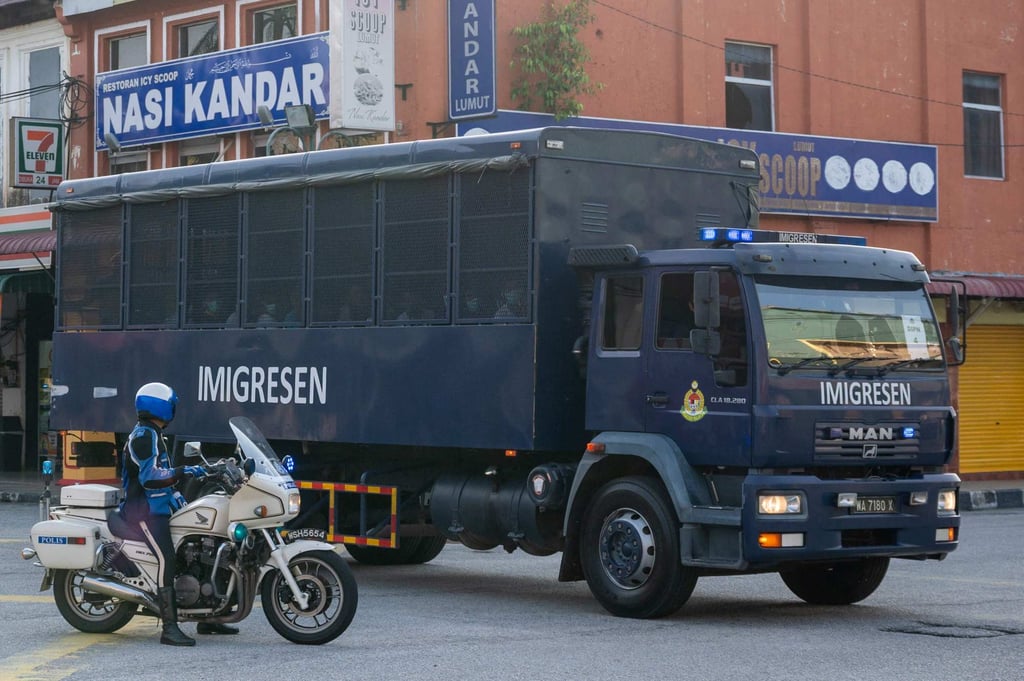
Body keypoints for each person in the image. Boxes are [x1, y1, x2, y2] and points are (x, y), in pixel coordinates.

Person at [114, 382, 238, 645]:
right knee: (167, 560)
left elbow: (166, 482)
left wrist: (186, 496)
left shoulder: (155, 434)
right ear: (160, 407)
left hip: (159, 508)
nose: (174, 409)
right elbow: (151, 479)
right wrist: (185, 472)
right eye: (171, 405)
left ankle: (209, 619)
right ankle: (169, 629)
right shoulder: (143, 437)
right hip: (143, 512)